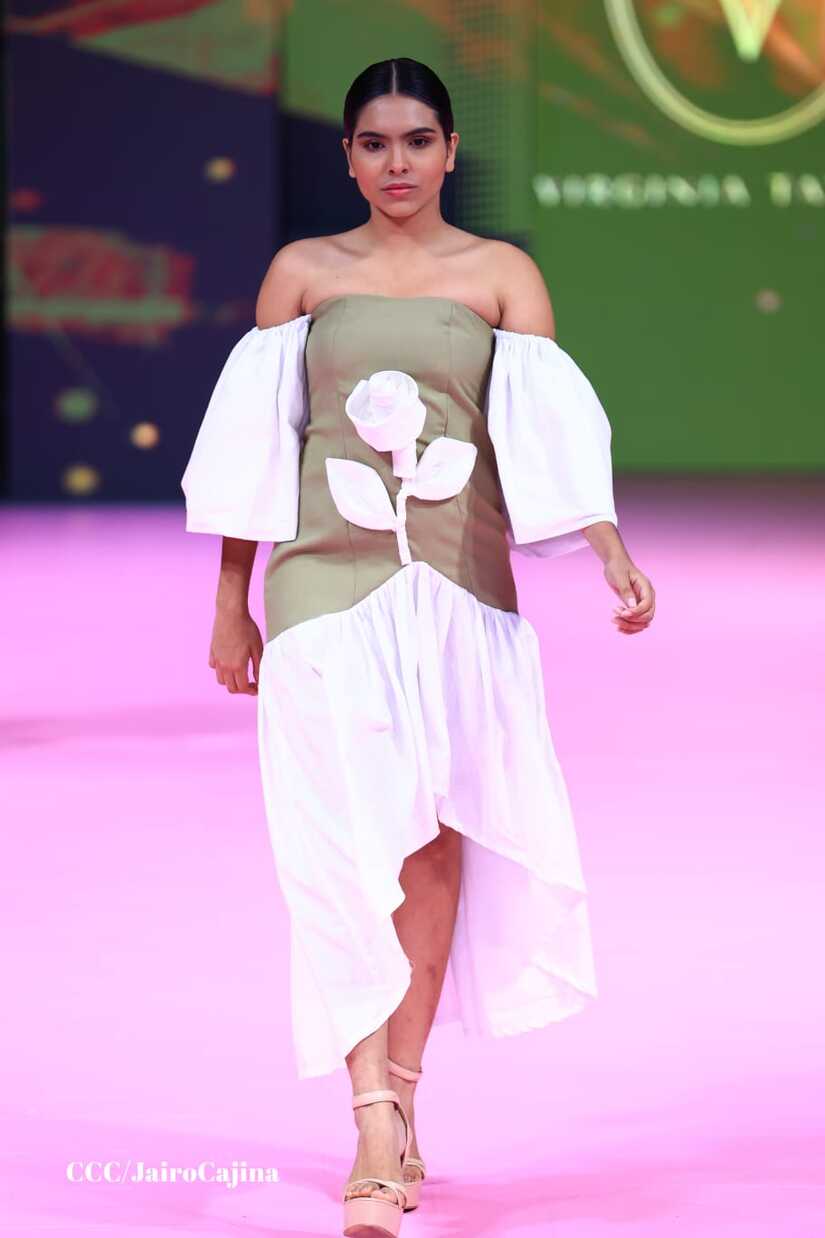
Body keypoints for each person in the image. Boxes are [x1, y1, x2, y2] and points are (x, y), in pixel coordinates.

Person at [181, 55, 654, 1238]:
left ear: (449, 151)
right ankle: (371, 1127)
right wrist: (232, 599)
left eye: (418, 140)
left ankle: (404, 1094)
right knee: (340, 849)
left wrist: (607, 547)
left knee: (435, 849)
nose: (397, 162)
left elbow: (543, 437)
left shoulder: (500, 275)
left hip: (457, 586)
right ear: (348, 156)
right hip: (321, 587)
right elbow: (257, 449)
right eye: (374, 142)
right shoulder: (303, 274)